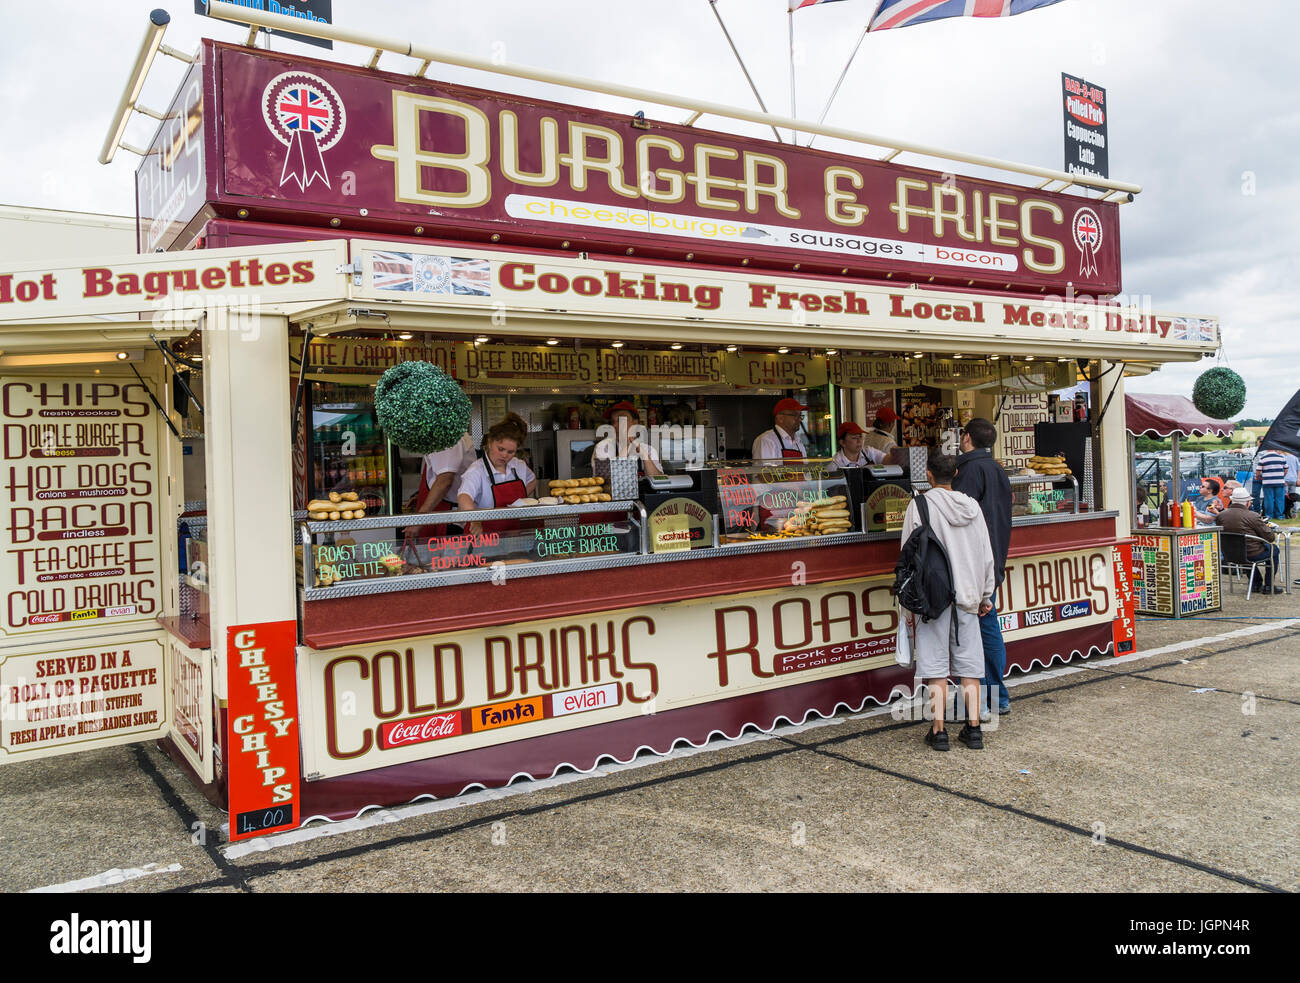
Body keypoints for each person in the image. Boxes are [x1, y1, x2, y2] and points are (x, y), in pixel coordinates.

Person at [901, 451, 996, 751]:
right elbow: (986, 554)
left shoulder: (918, 506)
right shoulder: (973, 507)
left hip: (932, 599)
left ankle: (939, 731)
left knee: (935, 667)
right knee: (970, 666)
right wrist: (986, 594)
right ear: (955, 474)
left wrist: (906, 606)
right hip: (968, 595)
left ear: (928, 474)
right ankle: (974, 728)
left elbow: (907, 556)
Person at [951, 417, 1013, 717]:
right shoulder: (997, 468)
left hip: (975, 561)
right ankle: (997, 694)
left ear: (966, 438)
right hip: (995, 557)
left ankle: (990, 697)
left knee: (981, 628)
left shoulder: (969, 470)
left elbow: (959, 517)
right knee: (989, 626)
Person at [458, 416, 538, 533]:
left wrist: (520, 501)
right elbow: (464, 497)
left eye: (511, 452)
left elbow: (532, 480)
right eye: (500, 449)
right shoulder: (477, 470)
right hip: (484, 537)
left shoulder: (518, 465)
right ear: (490, 443)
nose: (505, 455)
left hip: (512, 536)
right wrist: (474, 520)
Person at [1214, 486, 1282, 593]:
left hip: (1230, 554)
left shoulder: (1221, 516)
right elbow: (1270, 537)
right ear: (1247, 503)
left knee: (1243, 551)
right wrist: (1266, 528)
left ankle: (1255, 583)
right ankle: (1269, 586)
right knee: (1274, 549)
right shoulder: (1252, 516)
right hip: (1252, 553)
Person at [595, 401, 663, 477]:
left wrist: (644, 455)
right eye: (612, 422)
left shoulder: (648, 450)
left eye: (620, 420)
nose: (614, 425)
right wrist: (627, 447)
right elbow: (606, 479)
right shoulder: (603, 447)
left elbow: (659, 480)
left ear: (635, 423)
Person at [415, 432, 476, 514]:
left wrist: (418, 521)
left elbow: (444, 481)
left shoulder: (446, 436)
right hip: (440, 507)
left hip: (447, 513)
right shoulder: (437, 435)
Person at [751, 397, 808, 461]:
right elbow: (765, 470)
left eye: (800, 415)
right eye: (795, 415)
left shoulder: (798, 441)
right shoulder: (766, 440)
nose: (800, 419)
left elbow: (805, 468)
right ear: (780, 418)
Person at [1254, 447, 1288, 519]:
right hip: (1279, 482)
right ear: (1275, 449)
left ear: (1267, 449)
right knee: (1280, 499)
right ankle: (1280, 516)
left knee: (1268, 499)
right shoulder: (1281, 457)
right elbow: (1286, 469)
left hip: (1267, 482)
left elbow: (1258, 471)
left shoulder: (1263, 458)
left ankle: (1269, 516)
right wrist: (1281, 476)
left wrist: (1258, 477)